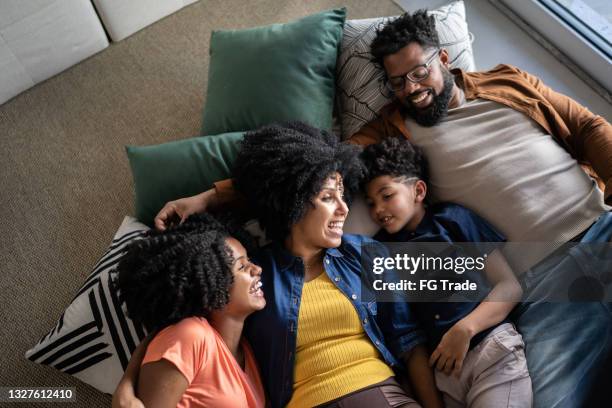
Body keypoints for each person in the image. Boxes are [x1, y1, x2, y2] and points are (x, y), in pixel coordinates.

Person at [155, 10, 612, 407]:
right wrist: (211, 197)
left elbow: (587, 127)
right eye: (397, 82)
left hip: (601, 225)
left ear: (444, 60)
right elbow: (304, 168)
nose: (411, 89)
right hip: (544, 281)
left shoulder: (507, 81)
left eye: (419, 73)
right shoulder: (392, 133)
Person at [361, 137, 531, 407]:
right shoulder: (380, 251)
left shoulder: (453, 219)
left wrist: (464, 329)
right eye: (370, 203)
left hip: (491, 352)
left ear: (418, 191)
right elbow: (405, 336)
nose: (378, 209)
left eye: (387, 195)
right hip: (443, 377)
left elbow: (509, 287)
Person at [112, 213, 266, 408]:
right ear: (211, 285)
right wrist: (126, 385)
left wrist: (126, 380)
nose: (257, 269)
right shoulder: (190, 336)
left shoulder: (247, 352)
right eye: (242, 266)